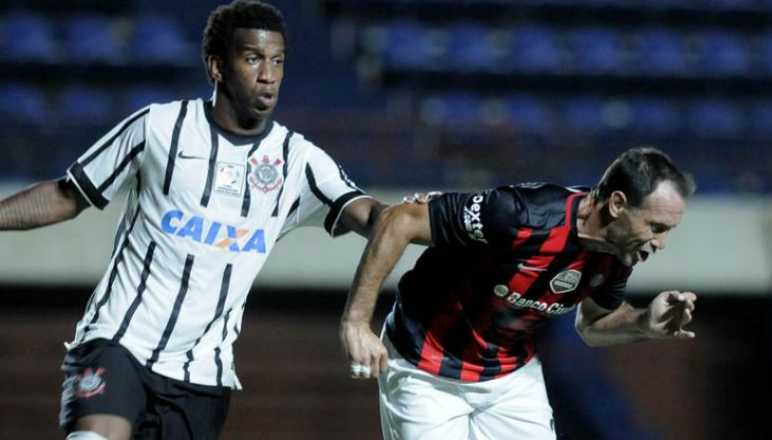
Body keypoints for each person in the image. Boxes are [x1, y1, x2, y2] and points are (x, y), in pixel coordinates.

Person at [0, 1, 384, 439]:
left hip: (202, 375)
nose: (268, 75)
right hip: (119, 340)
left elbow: (374, 216)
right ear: (217, 66)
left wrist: (422, 219)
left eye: (277, 61)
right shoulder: (158, 127)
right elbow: (68, 195)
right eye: (253, 59)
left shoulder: (299, 161)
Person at [340, 147, 700, 439]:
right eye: (656, 227)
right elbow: (399, 220)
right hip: (425, 366)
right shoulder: (523, 214)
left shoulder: (617, 255)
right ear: (617, 204)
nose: (661, 243)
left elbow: (591, 326)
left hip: (509, 377)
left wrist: (643, 323)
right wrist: (356, 321)